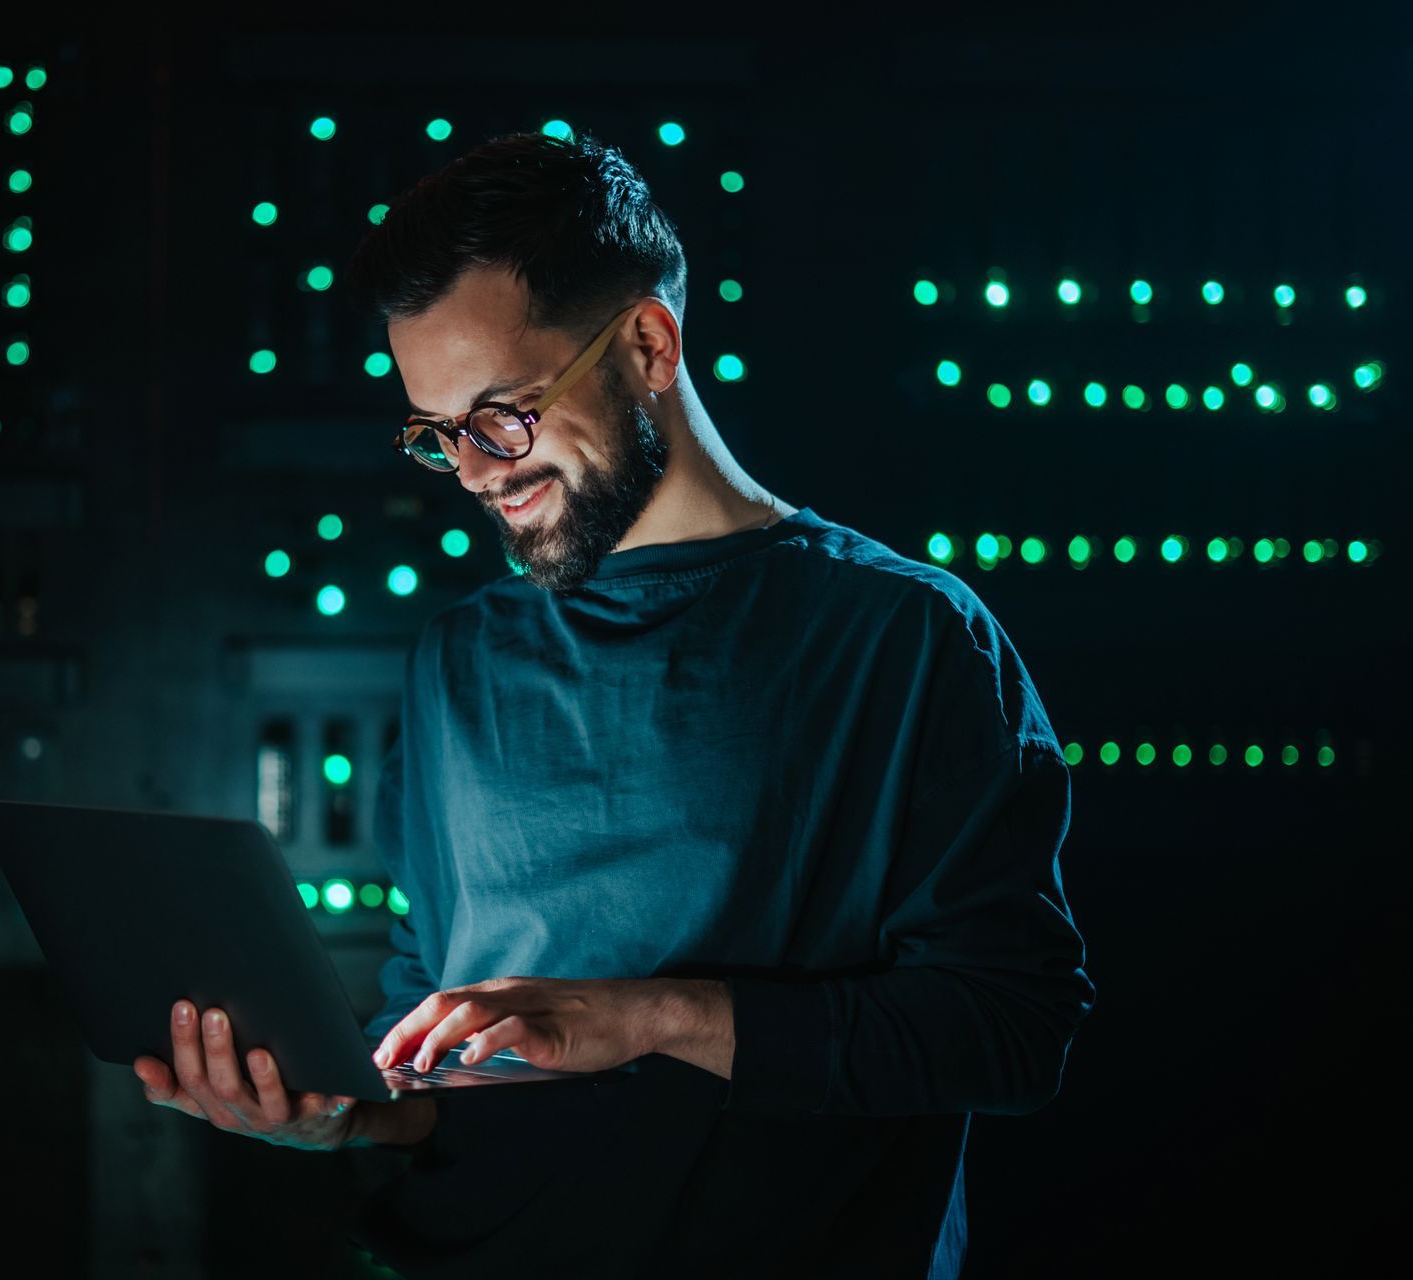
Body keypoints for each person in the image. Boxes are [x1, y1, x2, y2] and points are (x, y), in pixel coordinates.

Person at [137, 128, 1095, 1279]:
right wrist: (343, 1112)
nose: (480, 471)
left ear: (647, 342)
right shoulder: (460, 658)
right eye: (439, 435)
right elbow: (441, 1067)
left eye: (505, 409)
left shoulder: (906, 636)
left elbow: (1011, 1031)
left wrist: (650, 1016)